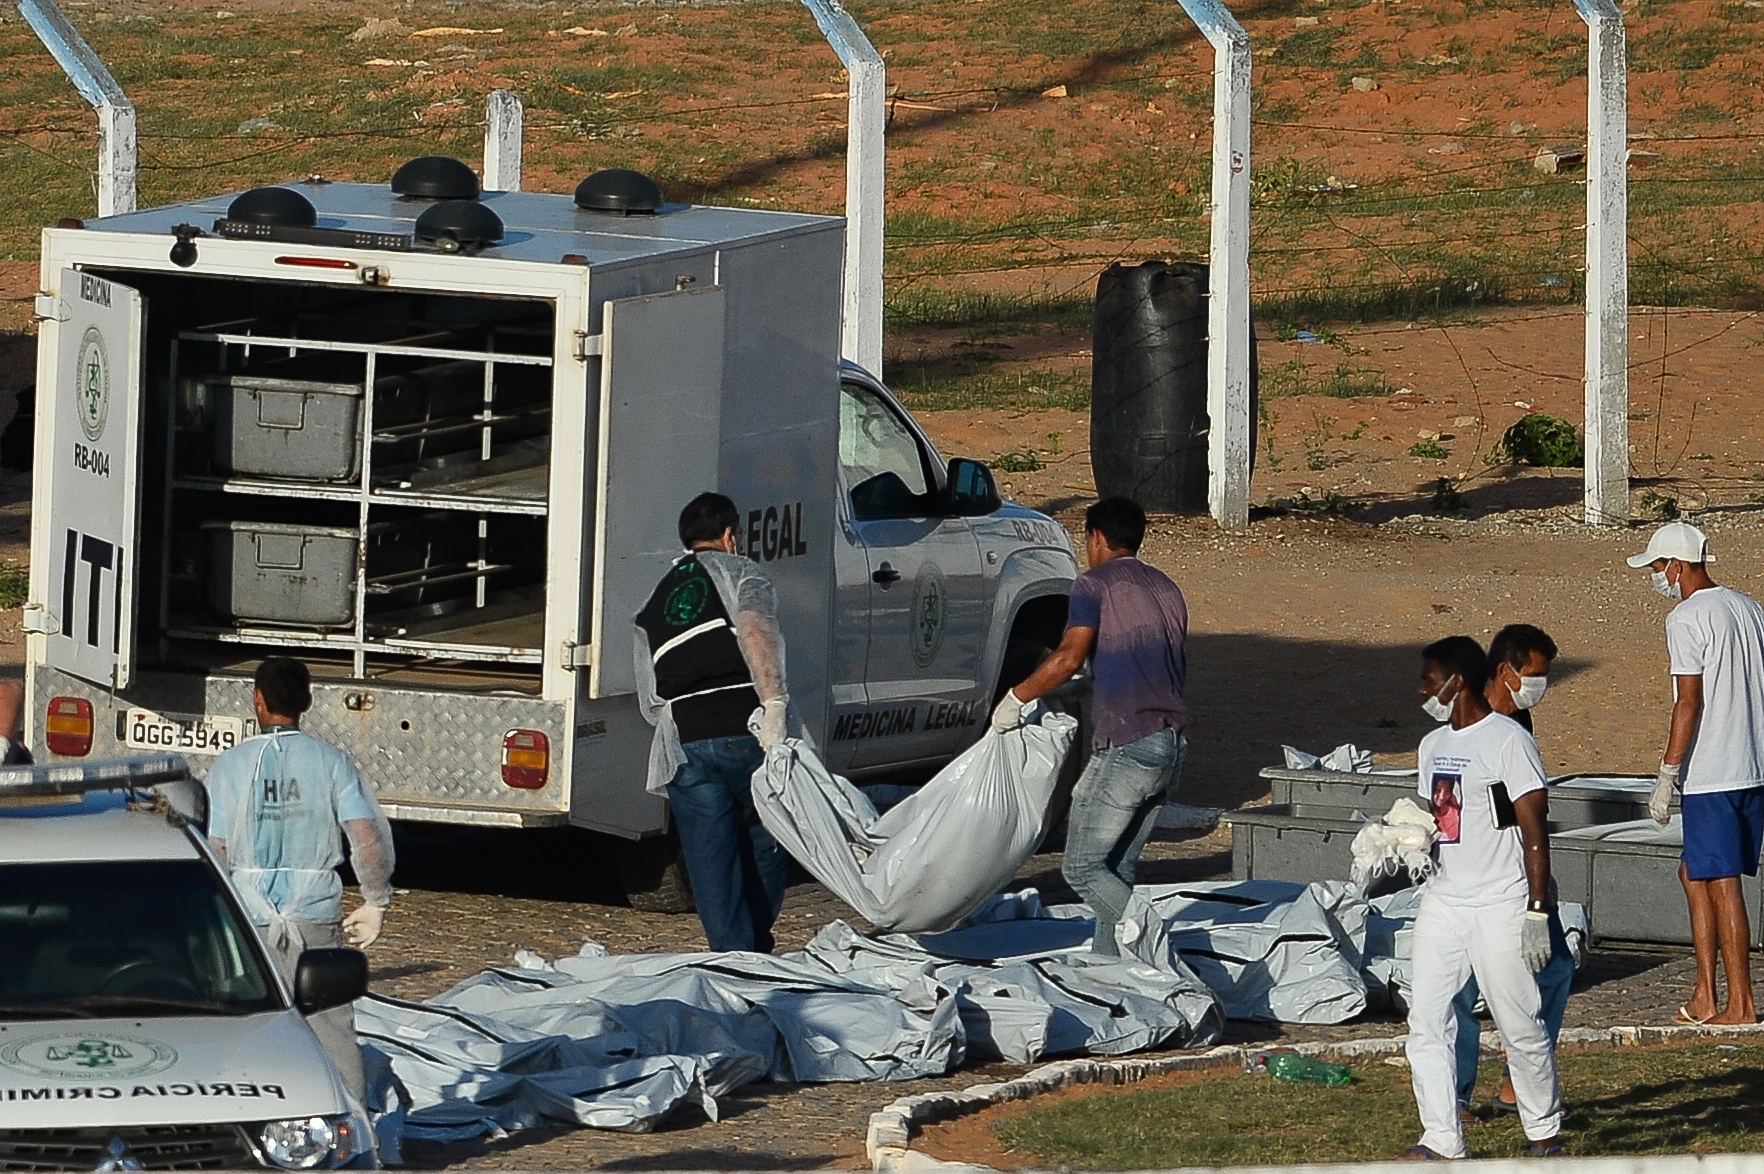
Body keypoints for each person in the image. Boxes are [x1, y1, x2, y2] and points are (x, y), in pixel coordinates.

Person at [991, 496, 1187, 957]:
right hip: (1173, 744)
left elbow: (1068, 656)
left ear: (1096, 538)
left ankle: (1153, 944)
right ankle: (1111, 968)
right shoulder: (1167, 588)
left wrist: (1016, 697)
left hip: (1128, 743)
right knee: (1116, 870)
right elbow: (1143, 659)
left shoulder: (1093, 584)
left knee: (1081, 869)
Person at [205, 657, 395, 1103]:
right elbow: (366, 839)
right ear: (307, 702)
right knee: (330, 1026)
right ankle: (353, 1122)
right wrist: (375, 899)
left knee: (252, 1026)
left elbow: (215, 846)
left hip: (251, 918)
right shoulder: (331, 762)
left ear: (257, 699)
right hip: (315, 913)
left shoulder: (230, 766)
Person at [1403, 636, 1562, 1160]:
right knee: (1426, 1019)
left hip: (1500, 901)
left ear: (1457, 682)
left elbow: (1533, 828)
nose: (1423, 688)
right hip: (1444, 900)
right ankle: (1441, 1138)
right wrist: (1402, 841)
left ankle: (1543, 1131)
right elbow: (1441, 819)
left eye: (1430, 678)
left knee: (1518, 1020)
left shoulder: (1508, 740)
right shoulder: (1431, 747)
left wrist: (1537, 910)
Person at [635, 491, 793, 953]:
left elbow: (649, 689)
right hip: (742, 725)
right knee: (768, 834)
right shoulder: (743, 571)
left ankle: (731, 957)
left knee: (710, 862)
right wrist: (775, 704)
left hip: (683, 737)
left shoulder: (657, 595)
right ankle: (754, 951)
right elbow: (755, 632)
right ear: (729, 536)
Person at [1629, 521, 1764, 1025]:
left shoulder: (1686, 618)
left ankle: (1741, 1004)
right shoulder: (1750, 609)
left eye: (1658, 567)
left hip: (1715, 767)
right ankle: (1706, 992)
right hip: (1753, 764)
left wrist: (1667, 771)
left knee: (1721, 881)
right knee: (1694, 873)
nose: (1657, 577)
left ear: (1678, 566)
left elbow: (1689, 700)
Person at [1453, 624, 1573, 1121]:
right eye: (1536, 676)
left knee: (1555, 970)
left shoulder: (1519, 722)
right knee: (1461, 988)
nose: (1541, 687)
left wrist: (1539, 895)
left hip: (1519, 869)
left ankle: (1516, 1080)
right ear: (1505, 672)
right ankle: (1455, 1096)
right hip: (1473, 875)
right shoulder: (1466, 722)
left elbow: (1528, 813)